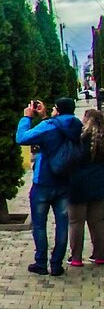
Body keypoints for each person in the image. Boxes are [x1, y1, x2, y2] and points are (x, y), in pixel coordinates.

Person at [16, 97, 84, 275]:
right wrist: (45, 116)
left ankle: (41, 263)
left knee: (39, 225)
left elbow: (21, 138)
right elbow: (59, 132)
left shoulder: (49, 127)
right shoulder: (76, 126)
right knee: (62, 224)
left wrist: (27, 118)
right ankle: (56, 265)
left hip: (43, 181)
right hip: (64, 181)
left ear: (58, 110)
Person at [68, 107, 104, 266]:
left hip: (79, 185)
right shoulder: (101, 139)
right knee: (98, 222)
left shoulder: (81, 138)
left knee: (76, 222)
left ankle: (76, 258)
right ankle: (100, 255)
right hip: (100, 185)